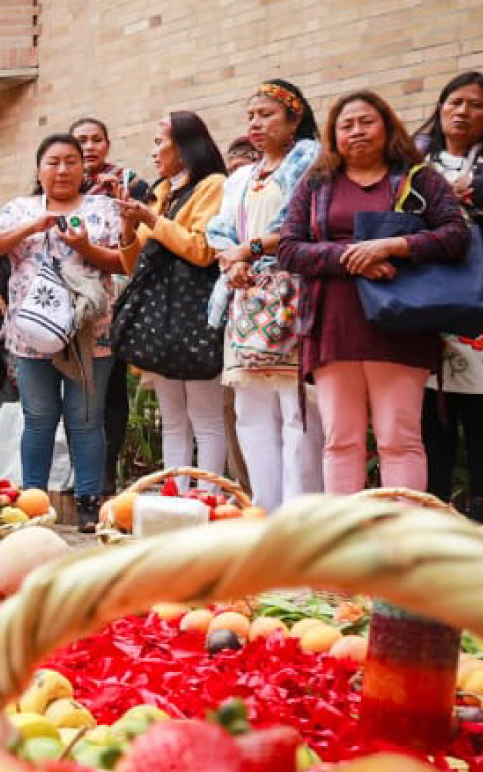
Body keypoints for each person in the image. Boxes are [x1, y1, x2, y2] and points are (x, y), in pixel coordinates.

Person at [278, 90, 471, 494]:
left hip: (401, 323)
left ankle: (404, 544)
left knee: (399, 439)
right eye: (346, 125)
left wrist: (393, 246)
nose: (357, 131)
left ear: (387, 126)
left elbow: (456, 236)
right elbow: (288, 248)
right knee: (341, 440)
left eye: (366, 121)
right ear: (333, 136)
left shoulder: (419, 179)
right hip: (333, 324)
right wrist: (351, 255)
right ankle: (345, 544)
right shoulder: (316, 185)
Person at [0, 135, 126, 531]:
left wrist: (85, 247)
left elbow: (124, 261)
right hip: (31, 335)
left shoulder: (105, 209)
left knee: (86, 419)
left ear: (84, 168)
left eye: (71, 162)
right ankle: (32, 504)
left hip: (91, 332)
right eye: (53, 162)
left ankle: (89, 502)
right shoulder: (18, 209)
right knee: (39, 418)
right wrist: (31, 226)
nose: (62, 170)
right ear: (38, 169)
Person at [207, 79, 325, 511]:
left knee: (297, 410)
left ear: (295, 118)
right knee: (250, 409)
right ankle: (265, 510)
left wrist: (251, 251)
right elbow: (220, 231)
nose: (256, 123)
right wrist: (233, 263)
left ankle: (301, 514)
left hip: (293, 293)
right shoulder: (239, 178)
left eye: (267, 114)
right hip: (245, 297)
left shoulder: (310, 163)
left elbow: (307, 222)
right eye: (251, 116)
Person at [114, 113, 230, 479]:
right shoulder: (163, 191)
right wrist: (128, 227)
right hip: (162, 317)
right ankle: (176, 497)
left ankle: (207, 497)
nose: (154, 153)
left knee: (206, 417)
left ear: (183, 146)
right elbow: (136, 265)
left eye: (159, 142)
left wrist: (150, 217)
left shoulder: (213, 185)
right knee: (173, 420)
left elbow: (201, 249)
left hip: (195, 313)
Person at [416, 72, 483, 521]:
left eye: (476, 105)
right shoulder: (412, 154)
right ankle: (431, 514)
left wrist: (446, 197)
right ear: (440, 106)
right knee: (429, 416)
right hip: (419, 305)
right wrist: (446, 196)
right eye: (455, 101)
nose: (462, 111)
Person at [72, 117, 147, 490]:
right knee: (74, 386)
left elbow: (143, 235)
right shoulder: (58, 180)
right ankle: (82, 471)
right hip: (69, 299)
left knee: (111, 386)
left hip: (116, 296)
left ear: (108, 143)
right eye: (81, 140)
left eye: (96, 139)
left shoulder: (129, 182)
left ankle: (104, 474)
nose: (89, 147)